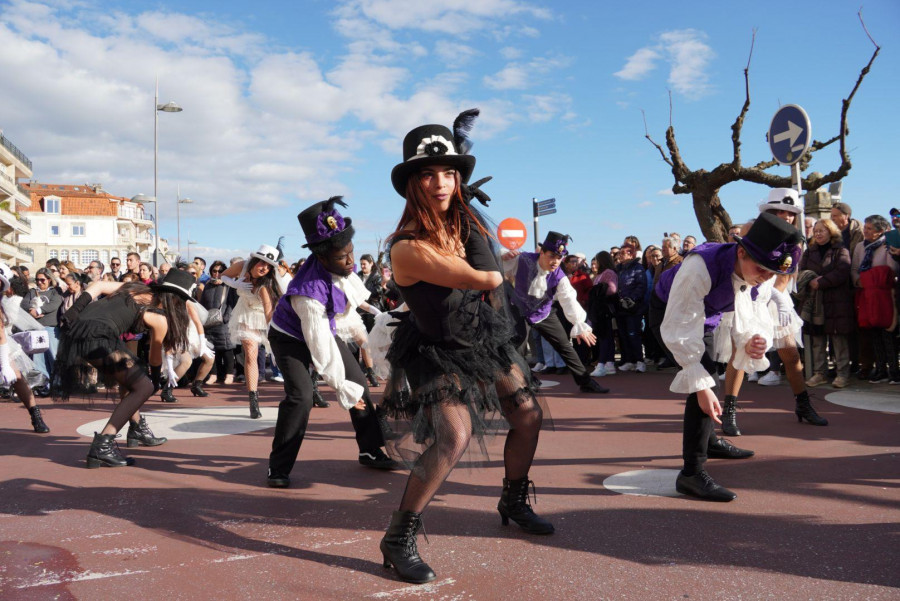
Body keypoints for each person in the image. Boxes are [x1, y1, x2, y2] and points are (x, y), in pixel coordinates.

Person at [378, 113, 553, 584]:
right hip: (437, 349)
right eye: (429, 174)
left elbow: (491, 279)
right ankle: (398, 538)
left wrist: (466, 215)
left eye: (450, 173)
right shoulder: (407, 247)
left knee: (527, 415)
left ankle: (513, 502)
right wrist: (473, 220)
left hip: (481, 340)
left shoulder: (456, 224)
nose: (441, 183)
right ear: (413, 183)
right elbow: (489, 275)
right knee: (452, 439)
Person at [650, 213, 798, 501]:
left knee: (709, 379)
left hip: (707, 315)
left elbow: (757, 311)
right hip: (670, 312)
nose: (765, 278)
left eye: (772, 273)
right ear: (741, 252)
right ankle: (691, 474)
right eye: (762, 270)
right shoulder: (699, 267)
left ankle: (710, 440)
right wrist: (699, 382)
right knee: (702, 383)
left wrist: (756, 340)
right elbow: (680, 325)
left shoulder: (762, 270)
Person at [266, 198, 396, 490]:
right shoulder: (308, 293)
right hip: (289, 337)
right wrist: (341, 387)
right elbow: (320, 346)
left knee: (360, 383)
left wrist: (383, 320)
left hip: (324, 328)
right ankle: (278, 467)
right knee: (300, 397)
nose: (350, 261)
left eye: (351, 253)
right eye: (342, 258)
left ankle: (370, 449)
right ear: (321, 258)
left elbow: (352, 306)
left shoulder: (342, 272)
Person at [52, 270, 194, 468]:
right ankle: (103, 444)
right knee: (143, 386)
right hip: (98, 336)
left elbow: (99, 285)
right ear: (176, 301)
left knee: (130, 377)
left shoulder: (132, 288)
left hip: (78, 330)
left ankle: (136, 427)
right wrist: (154, 381)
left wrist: (75, 309)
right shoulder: (158, 316)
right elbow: (154, 357)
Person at [723, 190, 827, 435]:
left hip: (774, 299)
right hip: (747, 297)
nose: (786, 216)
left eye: (790, 213)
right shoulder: (750, 229)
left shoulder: (797, 239)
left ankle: (803, 405)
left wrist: (777, 298)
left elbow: (785, 273)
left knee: (791, 355)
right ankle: (729, 412)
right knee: (739, 353)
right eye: (780, 211)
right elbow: (739, 264)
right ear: (769, 211)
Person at [503, 232, 607, 393]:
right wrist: (502, 256)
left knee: (565, 346)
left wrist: (579, 323)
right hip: (519, 310)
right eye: (552, 256)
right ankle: (520, 383)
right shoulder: (523, 260)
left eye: (559, 258)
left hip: (543, 313)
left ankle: (585, 382)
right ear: (542, 253)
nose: (555, 261)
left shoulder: (560, 276)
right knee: (516, 345)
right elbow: (498, 265)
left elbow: (569, 300)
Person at [221, 245, 282, 417]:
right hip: (244, 312)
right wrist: (234, 282)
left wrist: (273, 335)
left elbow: (269, 312)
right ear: (255, 260)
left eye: (269, 266)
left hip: (262, 315)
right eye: (262, 263)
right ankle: (253, 399)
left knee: (274, 354)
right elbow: (224, 275)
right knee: (250, 351)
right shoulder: (242, 266)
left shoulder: (265, 286)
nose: (264, 268)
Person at [800, 219, 853, 389]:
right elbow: (802, 272)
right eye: (816, 231)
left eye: (822, 230)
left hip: (836, 301)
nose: (818, 234)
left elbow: (842, 271)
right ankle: (820, 373)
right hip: (816, 303)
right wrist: (809, 281)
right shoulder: (809, 252)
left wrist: (821, 282)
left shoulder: (841, 250)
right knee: (817, 339)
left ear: (831, 231)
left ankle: (843, 374)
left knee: (838, 339)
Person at [0, 262, 51, 433]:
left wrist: (5, 364)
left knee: (17, 377)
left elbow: (1, 334)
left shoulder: (8, 302)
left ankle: (35, 415)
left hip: (3, 344)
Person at [851, 214, 899, 383]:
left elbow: (890, 270)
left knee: (887, 331)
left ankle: (893, 370)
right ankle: (880, 369)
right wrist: (860, 281)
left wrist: (893, 252)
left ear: (880, 232)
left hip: (884, 295)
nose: (865, 231)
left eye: (869, 228)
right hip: (865, 294)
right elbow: (855, 268)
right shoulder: (859, 247)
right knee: (872, 331)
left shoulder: (887, 245)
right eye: (865, 227)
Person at [200, 260, 236, 385]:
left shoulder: (228, 285)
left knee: (227, 349)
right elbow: (202, 303)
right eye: (214, 271)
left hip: (224, 321)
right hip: (209, 321)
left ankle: (229, 374)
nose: (217, 273)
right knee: (211, 349)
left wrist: (227, 317)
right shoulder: (208, 285)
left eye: (220, 271)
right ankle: (213, 374)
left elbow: (232, 303)